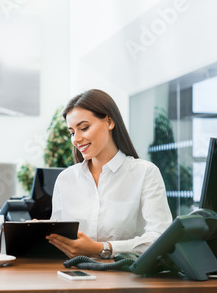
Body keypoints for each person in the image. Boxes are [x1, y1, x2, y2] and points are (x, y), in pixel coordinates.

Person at [47, 89, 172, 258]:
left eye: (84, 128)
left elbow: (160, 238)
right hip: (75, 277)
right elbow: (60, 241)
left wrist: (102, 248)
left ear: (109, 122)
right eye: (72, 132)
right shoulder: (66, 179)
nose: (76, 139)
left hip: (127, 278)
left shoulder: (145, 173)